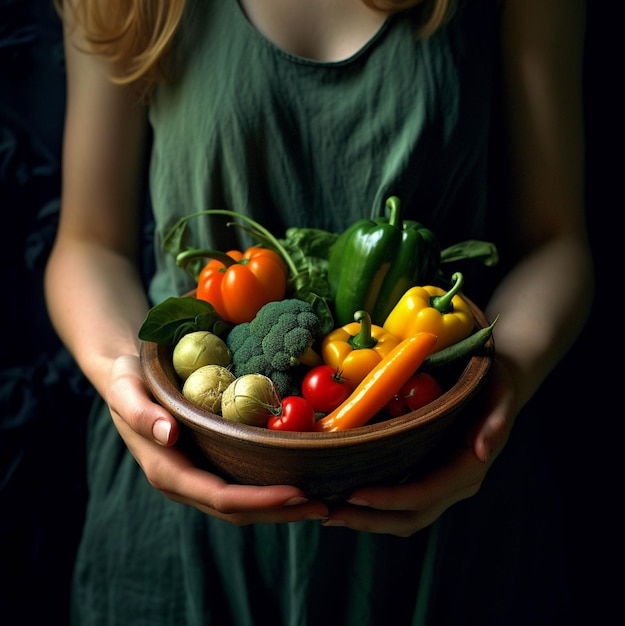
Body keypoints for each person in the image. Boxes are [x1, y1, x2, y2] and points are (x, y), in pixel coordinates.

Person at [45, 0, 593, 624]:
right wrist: (123, 376)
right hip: (182, 477)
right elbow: (87, 244)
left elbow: (556, 240)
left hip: (450, 470)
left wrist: (506, 377)